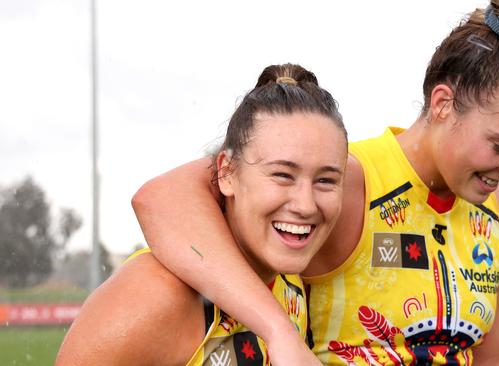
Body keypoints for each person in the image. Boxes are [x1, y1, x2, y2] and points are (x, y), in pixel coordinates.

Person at [132, 0, 499, 364]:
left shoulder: (495, 207)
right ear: (443, 104)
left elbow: (492, 359)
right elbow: (163, 199)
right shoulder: (342, 179)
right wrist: (278, 330)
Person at [55, 63, 349, 366]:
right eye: (282, 175)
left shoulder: (290, 281)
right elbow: (159, 195)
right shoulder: (156, 296)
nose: (306, 205)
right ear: (226, 172)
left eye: (326, 180)